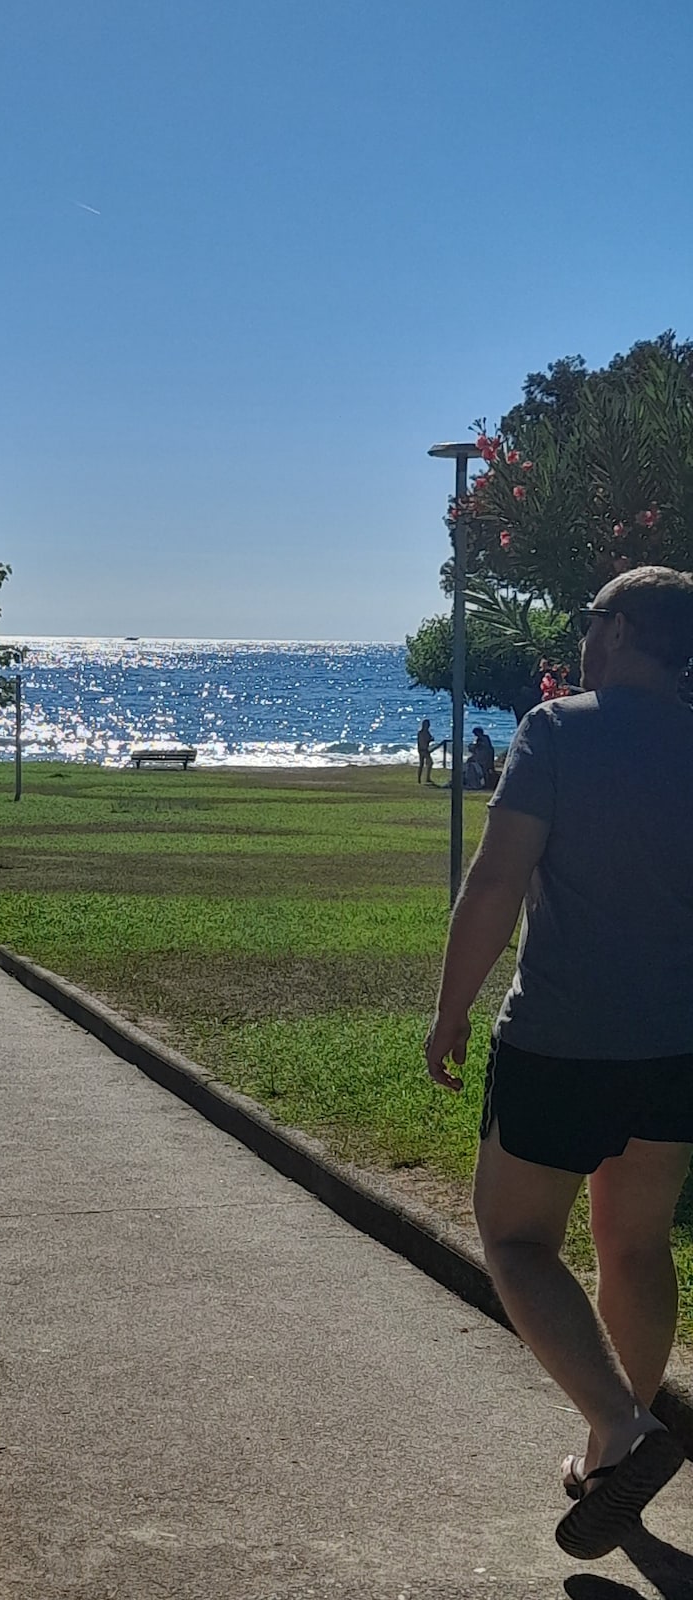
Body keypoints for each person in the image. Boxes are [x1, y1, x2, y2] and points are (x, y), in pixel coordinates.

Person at [424, 566, 693, 1560]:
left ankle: (623, 1429)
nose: (583, 638)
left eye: (591, 620)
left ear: (623, 630)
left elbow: (497, 880)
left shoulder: (556, 732)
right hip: (677, 1046)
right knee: (637, 1243)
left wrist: (449, 1011)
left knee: (516, 1238)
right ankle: (607, 1446)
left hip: (561, 1042)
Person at [416, 718, 435, 784]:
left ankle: (425, 778)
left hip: (424, 749)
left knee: (424, 764)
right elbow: (421, 742)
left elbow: (429, 739)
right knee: (426, 763)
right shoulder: (421, 733)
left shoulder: (427, 732)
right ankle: (423, 778)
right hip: (423, 750)